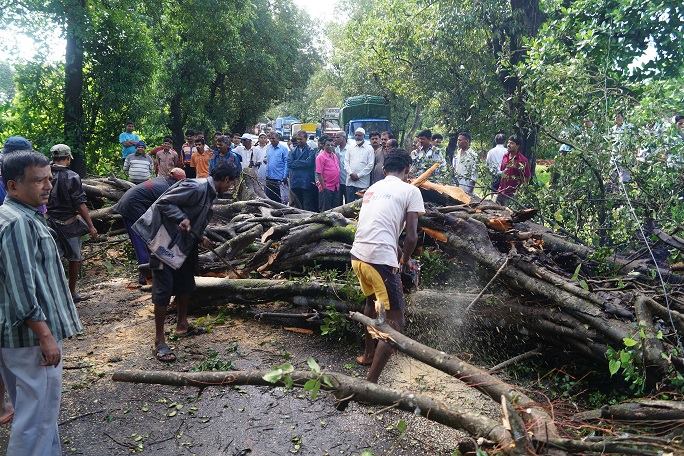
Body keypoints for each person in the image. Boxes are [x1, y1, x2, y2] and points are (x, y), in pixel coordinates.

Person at [0, 151, 83, 455]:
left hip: (18, 337)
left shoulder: (17, 216)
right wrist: (45, 335)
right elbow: (23, 288)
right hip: (31, 339)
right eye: (38, 181)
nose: (48, 185)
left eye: (49, 178)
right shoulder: (18, 223)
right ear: (12, 185)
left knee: (37, 414)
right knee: (36, 419)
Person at [133, 162, 241, 362]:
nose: (231, 187)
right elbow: (164, 202)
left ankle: (182, 325)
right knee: (163, 289)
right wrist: (181, 217)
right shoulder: (195, 186)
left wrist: (200, 237)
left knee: (185, 285)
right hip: (164, 242)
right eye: (231, 182)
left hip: (184, 244)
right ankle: (159, 341)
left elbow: (195, 219)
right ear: (225, 179)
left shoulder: (210, 193)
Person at [350, 150, 424, 383]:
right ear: (408, 170)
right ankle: (370, 385)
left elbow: (382, 229)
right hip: (379, 259)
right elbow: (412, 237)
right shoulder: (411, 190)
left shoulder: (373, 189)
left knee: (372, 303)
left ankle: (369, 354)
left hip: (358, 256)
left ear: (384, 170)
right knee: (396, 322)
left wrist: (400, 255)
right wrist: (403, 262)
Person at [113, 168, 186, 284]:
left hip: (130, 204)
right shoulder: (165, 188)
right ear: (176, 180)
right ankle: (146, 275)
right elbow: (168, 210)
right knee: (141, 239)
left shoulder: (162, 180)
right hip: (132, 206)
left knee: (148, 239)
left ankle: (152, 271)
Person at [46, 144, 98, 301]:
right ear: (67, 158)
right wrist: (91, 225)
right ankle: (72, 292)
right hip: (68, 223)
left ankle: (54, 293)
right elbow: (80, 204)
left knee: (52, 258)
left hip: (47, 221)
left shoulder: (43, 173)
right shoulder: (72, 176)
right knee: (75, 258)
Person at [496, 135, 531, 206]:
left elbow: (526, 177)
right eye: (508, 143)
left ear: (517, 146)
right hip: (501, 192)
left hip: (512, 195)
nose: (508, 145)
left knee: (508, 215)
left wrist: (519, 193)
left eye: (512, 143)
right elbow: (503, 172)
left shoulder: (523, 160)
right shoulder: (505, 156)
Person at [288, 130, 318, 211]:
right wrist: (302, 163)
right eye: (298, 139)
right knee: (298, 204)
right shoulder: (293, 150)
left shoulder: (311, 150)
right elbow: (290, 164)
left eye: (301, 139)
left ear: (306, 139)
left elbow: (309, 163)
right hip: (295, 181)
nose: (299, 141)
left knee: (307, 204)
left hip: (306, 181)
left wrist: (296, 162)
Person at [344, 127, 375, 202]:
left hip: (362, 183)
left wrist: (358, 175)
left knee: (361, 205)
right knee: (349, 204)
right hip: (350, 182)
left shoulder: (369, 148)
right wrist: (351, 173)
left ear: (363, 136)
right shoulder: (350, 147)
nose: (357, 137)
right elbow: (346, 162)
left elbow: (370, 165)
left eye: (359, 135)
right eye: (356, 135)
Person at [315, 135, 340, 211]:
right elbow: (319, 173)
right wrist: (324, 188)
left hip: (335, 186)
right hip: (326, 187)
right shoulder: (321, 157)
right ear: (323, 146)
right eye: (328, 145)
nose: (330, 147)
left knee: (335, 209)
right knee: (325, 209)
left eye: (332, 145)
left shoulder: (334, 155)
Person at [264, 132, 289, 203]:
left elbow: (286, 163)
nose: (272, 140)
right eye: (270, 138)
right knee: (269, 198)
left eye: (273, 138)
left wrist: (284, 176)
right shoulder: (268, 148)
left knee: (278, 199)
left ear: (278, 139)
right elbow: (267, 159)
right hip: (269, 177)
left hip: (279, 178)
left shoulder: (283, 149)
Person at [335, 131, 350, 206]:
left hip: (347, 180)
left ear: (343, 138)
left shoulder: (350, 149)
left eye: (338, 137)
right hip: (337, 181)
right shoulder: (335, 149)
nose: (335, 139)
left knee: (348, 202)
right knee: (338, 203)